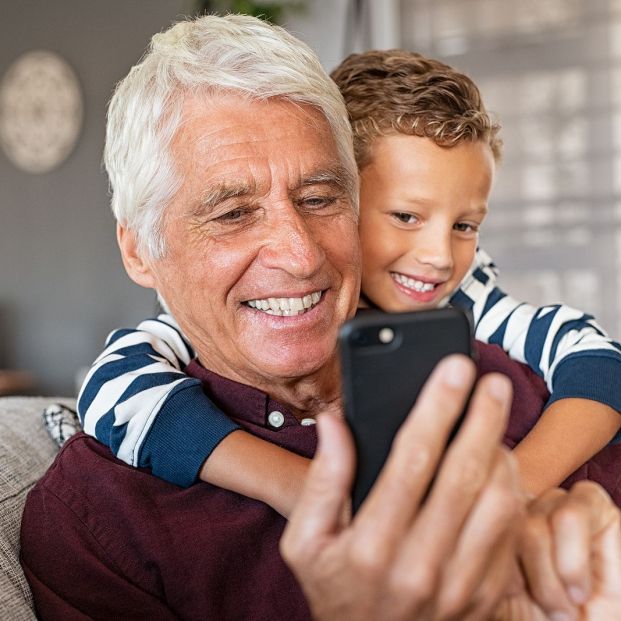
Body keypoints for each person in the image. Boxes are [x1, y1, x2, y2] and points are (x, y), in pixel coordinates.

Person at [20, 15, 621, 620]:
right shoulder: (99, 519)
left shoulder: (518, 382)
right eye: (232, 212)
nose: (301, 255)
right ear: (139, 251)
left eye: (318, 199)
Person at [75, 47, 621, 508]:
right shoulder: (205, 323)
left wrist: (511, 490)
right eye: (405, 217)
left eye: (465, 225)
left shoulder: (468, 289)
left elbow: (597, 361)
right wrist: (300, 489)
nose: (437, 257)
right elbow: (113, 390)